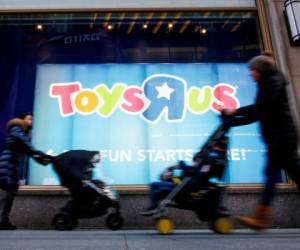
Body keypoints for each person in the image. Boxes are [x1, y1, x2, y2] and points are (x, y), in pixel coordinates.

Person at [222, 51, 300, 230]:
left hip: (282, 138)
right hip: (279, 137)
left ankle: (261, 219)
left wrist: (235, 112)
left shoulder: (273, 82)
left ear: (261, 69)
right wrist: (234, 121)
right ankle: (261, 218)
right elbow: (260, 113)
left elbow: (260, 109)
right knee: (290, 173)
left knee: (271, 175)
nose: (250, 73)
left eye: (253, 70)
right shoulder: (268, 83)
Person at [0, 113, 49, 230]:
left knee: (10, 192)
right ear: (22, 120)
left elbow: (28, 151)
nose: (31, 121)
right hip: (8, 164)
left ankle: (4, 220)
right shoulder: (16, 128)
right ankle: (3, 220)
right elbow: (26, 145)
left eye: (32, 119)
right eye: (29, 119)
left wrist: (42, 159)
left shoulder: (22, 133)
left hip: (11, 165)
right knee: (10, 191)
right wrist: (39, 153)